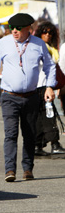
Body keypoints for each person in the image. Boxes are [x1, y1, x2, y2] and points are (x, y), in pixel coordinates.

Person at [0, 13, 56, 182]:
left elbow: (50, 66)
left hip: (31, 96)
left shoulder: (38, 44)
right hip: (9, 96)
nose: (14, 31)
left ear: (28, 28)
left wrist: (50, 86)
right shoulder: (4, 42)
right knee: (11, 134)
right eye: (11, 28)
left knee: (29, 134)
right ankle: (10, 170)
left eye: (18, 28)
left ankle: (28, 168)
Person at [34, 21, 65, 156]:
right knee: (48, 115)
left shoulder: (50, 48)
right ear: (40, 33)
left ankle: (38, 145)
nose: (48, 35)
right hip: (41, 85)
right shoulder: (40, 47)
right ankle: (54, 144)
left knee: (42, 116)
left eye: (50, 32)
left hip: (46, 85)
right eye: (45, 32)